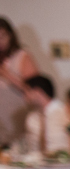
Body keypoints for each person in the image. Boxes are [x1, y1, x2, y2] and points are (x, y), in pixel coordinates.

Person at [0, 17, 38, 145]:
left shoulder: (22, 56)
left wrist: (8, 76)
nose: (1, 41)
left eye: (3, 36)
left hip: (18, 119)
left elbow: (34, 89)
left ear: (11, 35)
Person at [22, 75, 70, 154]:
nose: (24, 97)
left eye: (26, 92)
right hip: (36, 163)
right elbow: (29, 145)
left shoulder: (65, 112)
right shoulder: (31, 118)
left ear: (37, 92)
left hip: (64, 162)